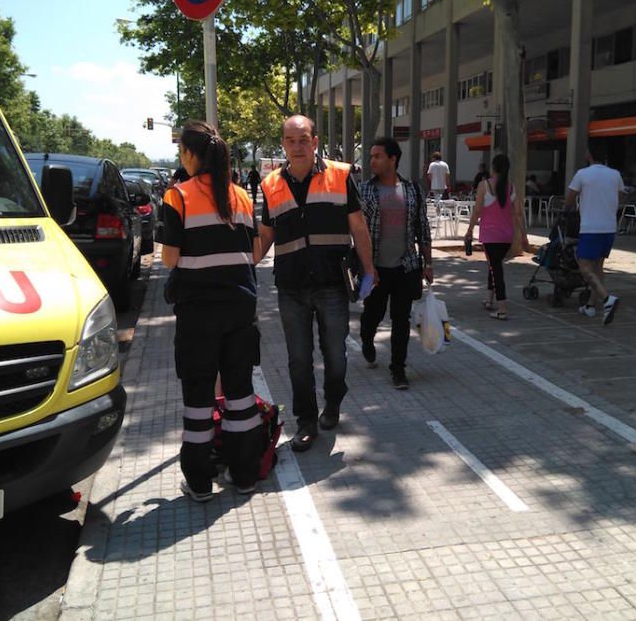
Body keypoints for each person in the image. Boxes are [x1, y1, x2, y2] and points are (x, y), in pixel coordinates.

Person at [159, 120, 265, 501]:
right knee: (240, 395)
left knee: (199, 399)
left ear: (190, 154)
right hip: (241, 308)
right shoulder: (240, 196)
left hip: (199, 312)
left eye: (181, 153)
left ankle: (201, 482)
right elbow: (252, 253)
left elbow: (170, 259)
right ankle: (246, 475)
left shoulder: (178, 196)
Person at [257, 115, 376, 453]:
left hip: (331, 283)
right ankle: (306, 422)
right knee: (298, 359)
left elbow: (359, 226)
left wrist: (369, 269)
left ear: (315, 141)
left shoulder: (339, 176)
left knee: (336, 355)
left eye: (303, 139)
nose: (297, 146)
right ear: (282, 143)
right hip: (291, 285)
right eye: (290, 140)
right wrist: (240, 264)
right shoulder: (271, 184)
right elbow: (265, 234)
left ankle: (334, 400)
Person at [359, 136, 433, 389]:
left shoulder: (412, 190)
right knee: (372, 316)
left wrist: (429, 262)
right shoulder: (365, 189)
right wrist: (365, 265)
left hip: (406, 266)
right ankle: (367, 341)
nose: (372, 161)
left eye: (377, 156)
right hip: (376, 268)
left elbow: (422, 228)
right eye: (371, 156)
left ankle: (398, 369)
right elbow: (357, 231)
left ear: (393, 159)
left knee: (401, 320)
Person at [464, 153, 530, 320]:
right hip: (507, 236)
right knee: (494, 265)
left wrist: (470, 230)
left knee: (496, 269)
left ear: (493, 168)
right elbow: (518, 213)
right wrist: (523, 235)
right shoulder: (511, 187)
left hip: (490, 236)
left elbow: (477, 211)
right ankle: (489, 298)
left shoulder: (484, 185)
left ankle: (502, 308)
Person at [565, 149, 625, 325]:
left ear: (589, 155)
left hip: (590, 227)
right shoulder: (615, 175)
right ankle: (590, 305)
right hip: (609, 227)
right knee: (598, 267)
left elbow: (570, 198)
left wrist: (569, 208)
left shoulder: (582, 174)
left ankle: (607, 299)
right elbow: (619, 196)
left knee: (584, 267)